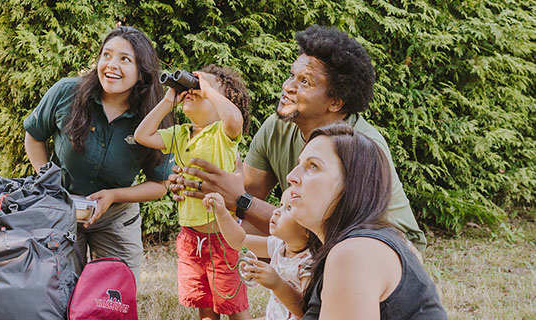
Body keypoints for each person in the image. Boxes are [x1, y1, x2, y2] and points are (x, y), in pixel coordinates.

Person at [169, 24, 427, 252]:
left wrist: (239, 200)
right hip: (330, 241)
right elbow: (244, 200)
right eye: (293, 75)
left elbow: (329, 232)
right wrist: (198, 185)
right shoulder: (277, 128)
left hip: (387, 248)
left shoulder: (360, 145)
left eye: (305, 82)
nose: (288, 86)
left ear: (336, 102)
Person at [23, 26, 174, 285]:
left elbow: (161, 184)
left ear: (142, 72)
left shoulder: (154, 118)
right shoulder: (66, 93)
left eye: (125, 59)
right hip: (62, 208)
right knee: (55, 292)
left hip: (117, 216)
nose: (111, 65)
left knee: (115, 298)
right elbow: (34, 135)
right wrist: (45, 177)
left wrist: (115, 195)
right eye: (107, 55)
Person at [282, 122, 446, 319]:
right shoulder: (357, 245)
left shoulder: (355, 254)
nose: (292, 176)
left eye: (313, 166)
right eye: (299, 164)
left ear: (351, 185)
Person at [134, 65, 252, 320]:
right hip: (190, 238)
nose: (193, 91)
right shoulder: (179, 134)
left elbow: (234, 119)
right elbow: (142, 135)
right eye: (191, 87)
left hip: (221, 238)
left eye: (200, 88)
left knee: (233, 306)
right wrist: (168, 100)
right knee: (204, 305)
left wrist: (207, 89)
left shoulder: (222, 133)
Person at [203, 191, 311, 320]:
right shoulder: (279, 245)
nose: (276, 211)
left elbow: (306, 312)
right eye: (281, 205)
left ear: (309, 228)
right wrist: (222, 213)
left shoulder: (310, 264)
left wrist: (277, 284)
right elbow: (240, 240)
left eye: (288, 208)